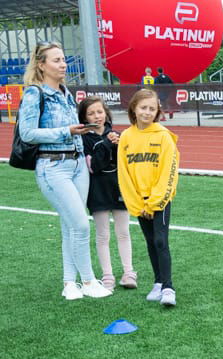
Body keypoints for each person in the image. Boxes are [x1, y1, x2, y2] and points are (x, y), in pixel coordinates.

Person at [18, 41, 112, 300]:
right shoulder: (34, 94)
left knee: (70, 225)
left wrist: (80, 132)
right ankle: (89, 280)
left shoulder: (66, 92)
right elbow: (27, 133)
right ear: (41, 64)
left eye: (63, 59)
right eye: (57, 60)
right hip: (53, 166)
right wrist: (66, 131)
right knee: (81, 225)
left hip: (77, 163)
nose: (63, 64)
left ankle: (69, 283)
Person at [118, 89, 180, 307]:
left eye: (152, 109)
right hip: (139, 202)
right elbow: (124, 174)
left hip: (159, 201)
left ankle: (168, 287)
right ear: (134, 108)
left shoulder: (164, 137)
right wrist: (138, 204)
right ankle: (158, 282)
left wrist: (154, 203)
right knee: (150, 241)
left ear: (158, 112)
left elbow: (168, 174)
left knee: (161, 240)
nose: (147, 112)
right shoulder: (126, 137)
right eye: (143, 107)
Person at [78, 96, 137, 291]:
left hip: (119, 189)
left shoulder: (117, 134)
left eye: (100, 111)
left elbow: (127, 163)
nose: (97, 116)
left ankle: (129, 272)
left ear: (106, 112)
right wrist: (106, 144)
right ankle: (108, 275)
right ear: (84, 117)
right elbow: (94, 166)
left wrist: (119, 145)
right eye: (91, 113)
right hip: (97, 192)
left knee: (123, 232)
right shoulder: (83, 139)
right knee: (103, 235)